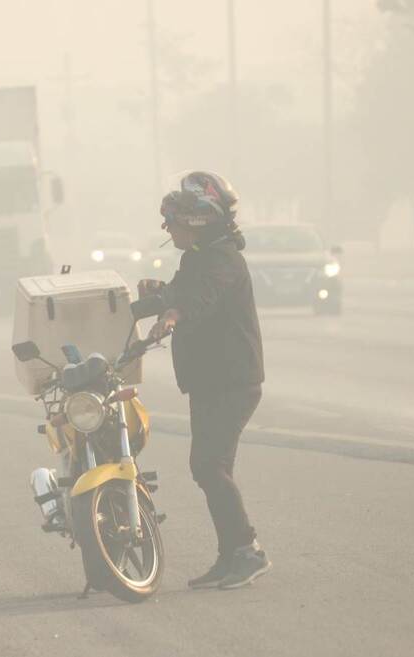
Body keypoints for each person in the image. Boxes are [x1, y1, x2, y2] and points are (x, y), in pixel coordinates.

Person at [140, 171, 270, 590]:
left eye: (174, 219)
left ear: (198, 220)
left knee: (207, 466)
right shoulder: (198, 258)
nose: (167, 228)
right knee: (213, 468)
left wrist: (174, 314)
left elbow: (200, 298)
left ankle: (248, 552)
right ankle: (231, 555)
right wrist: (144, 301)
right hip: (209, 381)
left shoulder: (224, 260)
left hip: (232, 382)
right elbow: (179, 292)